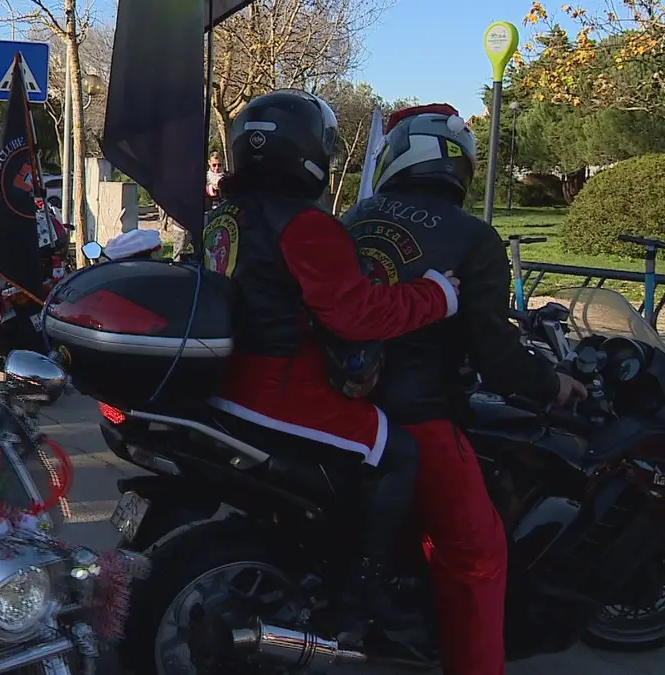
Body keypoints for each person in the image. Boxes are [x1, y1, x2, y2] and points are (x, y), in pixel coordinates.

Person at [202, 90, 460, 641]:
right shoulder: (305, 224)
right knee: (397, 453)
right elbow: (358, 314)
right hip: (279, 388)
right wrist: (439, 295)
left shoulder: (223, 215)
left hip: (224, 380)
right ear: (307, 151)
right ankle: (360, 600)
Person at [340, 103, 586, 675]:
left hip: (342, 403)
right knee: (479, 555)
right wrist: (552, 383)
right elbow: (497, 358)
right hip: (418, 415)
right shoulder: (472, 237)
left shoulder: (355, 217)